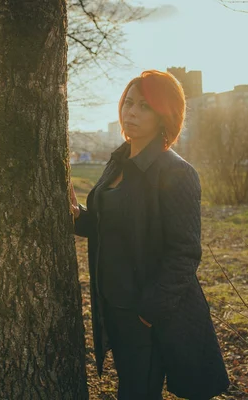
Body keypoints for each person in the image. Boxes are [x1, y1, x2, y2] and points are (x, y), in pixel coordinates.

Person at [70, 70, 230, 399]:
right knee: (131, 388)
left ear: (164, 115)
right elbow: (111, 225)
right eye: (128, 103)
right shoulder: (116, 163)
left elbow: (185, 252)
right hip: (112, 306)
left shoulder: (176, 172)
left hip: (147, 312)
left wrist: (149, 311)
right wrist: (76, 218)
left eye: (144, 106)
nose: (131, 112)